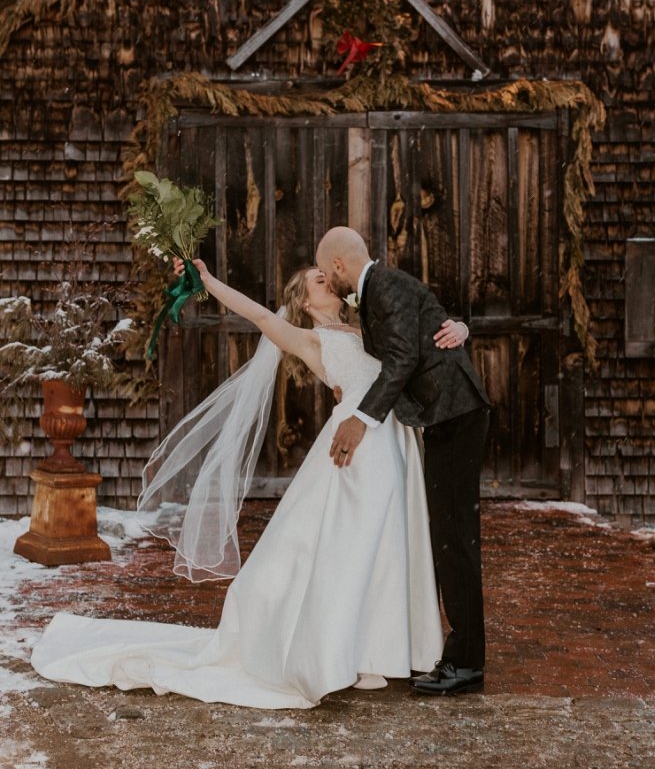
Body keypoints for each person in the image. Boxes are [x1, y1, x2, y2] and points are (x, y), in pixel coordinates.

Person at [29, 263, 468, 708]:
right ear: (304, 303)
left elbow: (413, 343)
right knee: (350, 547)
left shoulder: (366, 326)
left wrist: (462, 329)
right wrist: (209, 281)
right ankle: (345, 651)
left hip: (394, 440)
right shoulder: (312, 340)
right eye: (318, 281)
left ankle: (380, 647)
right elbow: (259, 315)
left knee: (390, 545)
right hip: (356, 449)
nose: (328, 282)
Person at [315, 227, 492, 696]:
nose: (325, 282)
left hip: (455, 417)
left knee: (455, 542)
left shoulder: (384, 286)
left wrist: (360, 420)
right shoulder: (380, 290)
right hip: (447, 418)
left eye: (324, 272)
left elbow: (401, 359)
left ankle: (466, 664)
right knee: (450, 539)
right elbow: (411, 340)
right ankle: (463, 657)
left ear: (338, 265)